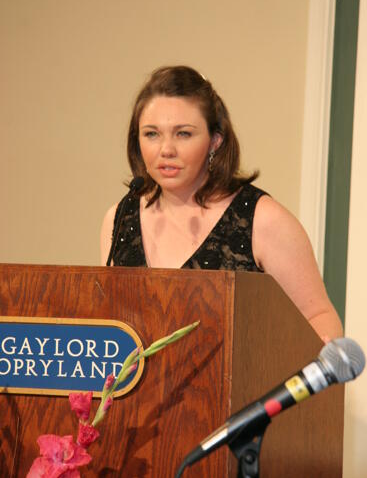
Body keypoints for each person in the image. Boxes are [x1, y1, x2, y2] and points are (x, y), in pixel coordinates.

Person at [101, 65, 343, 343]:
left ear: (215, 141)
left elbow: (320, 320)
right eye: (152, 134)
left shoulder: (261, 219)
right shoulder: (119, 219)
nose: (166, 149)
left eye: (183, 134)